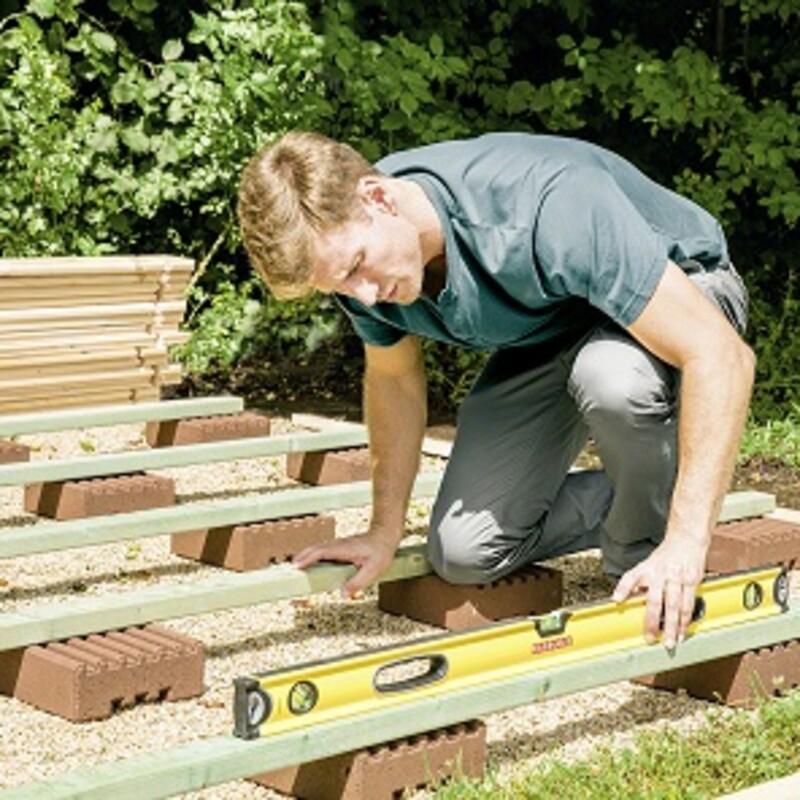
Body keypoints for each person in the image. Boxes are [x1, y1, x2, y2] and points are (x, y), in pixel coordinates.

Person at [237, 131, 754, 650]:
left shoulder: (547, 206)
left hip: (686, 284)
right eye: (341, 287)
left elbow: (721, 356)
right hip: (559, 323)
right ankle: (664, 487)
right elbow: (393, 378)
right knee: (464, 551)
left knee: (612, 378)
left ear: (378, 197)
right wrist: (383, 529)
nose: (365, 296)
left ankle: (651, 546)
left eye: (356, 267)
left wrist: (688, 538)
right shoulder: (359, 265)